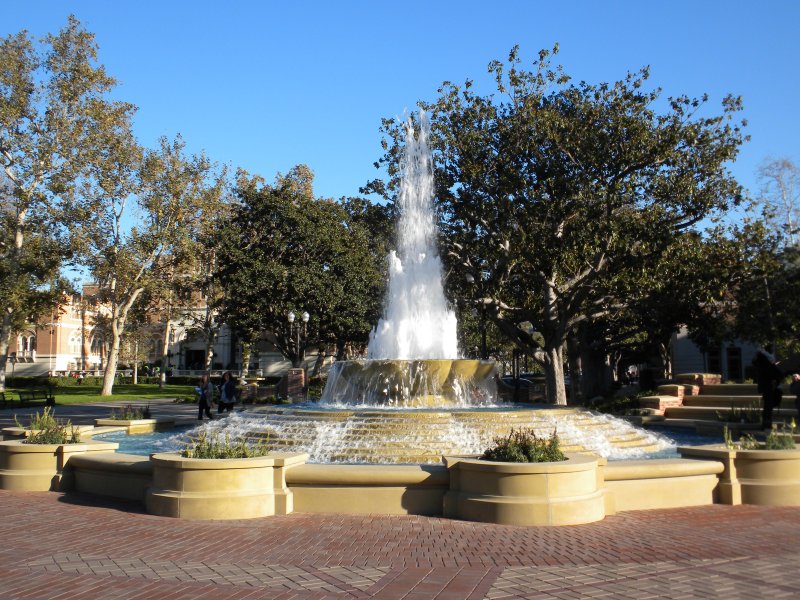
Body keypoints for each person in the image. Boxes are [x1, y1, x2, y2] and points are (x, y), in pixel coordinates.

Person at [752, 348, 783, 430]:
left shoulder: (760, 364)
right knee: (768, 407)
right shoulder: (767, 365)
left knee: (767, 407)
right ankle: (767, 425)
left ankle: (765, 424)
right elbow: (778, 374)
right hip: (770, 388)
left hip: (765, 388)